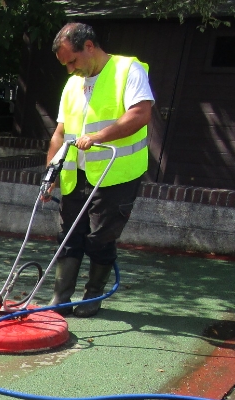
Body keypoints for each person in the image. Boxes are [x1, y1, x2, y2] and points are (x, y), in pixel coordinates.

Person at [44, 23, 153, 317]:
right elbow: (59, 134)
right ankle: (60, 297)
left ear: (89, 46)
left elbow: (141, 114)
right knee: (68, 235)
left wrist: (98, 138)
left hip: (115, 174)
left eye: (72, 61)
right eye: (65, 64)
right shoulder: (72, 85)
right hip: (75, 175)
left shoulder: (128, 71)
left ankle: (92, 296)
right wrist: (49, 174)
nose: (69, 70)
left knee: (99, 237)